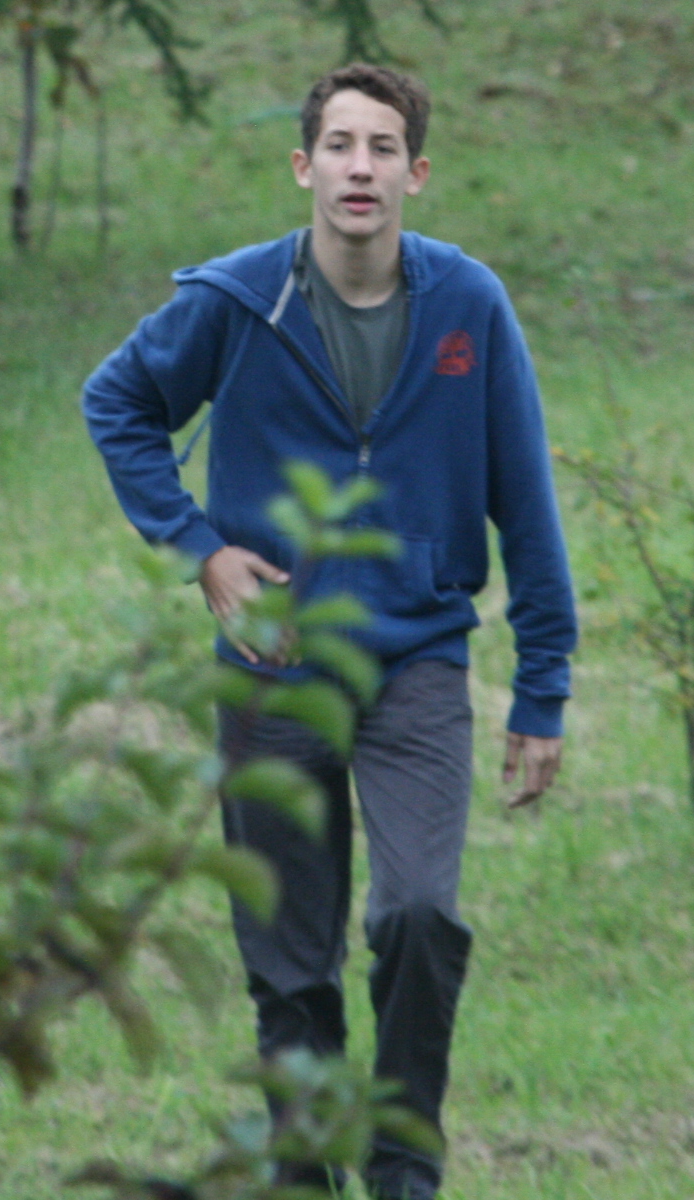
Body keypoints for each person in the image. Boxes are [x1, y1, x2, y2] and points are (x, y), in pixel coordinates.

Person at [82, 64, 577, 1199]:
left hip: (416, 660)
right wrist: (202, 548)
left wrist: (542, 688)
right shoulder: (237, 299)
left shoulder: (469, 305)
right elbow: (116, 401)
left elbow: (527, 502)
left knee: (419, 914)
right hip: (273, 669)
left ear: (416, 172)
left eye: (383, 147)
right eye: (341, 146)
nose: (362, 167)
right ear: (303, 166)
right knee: (290, 964)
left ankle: (402, 1169)